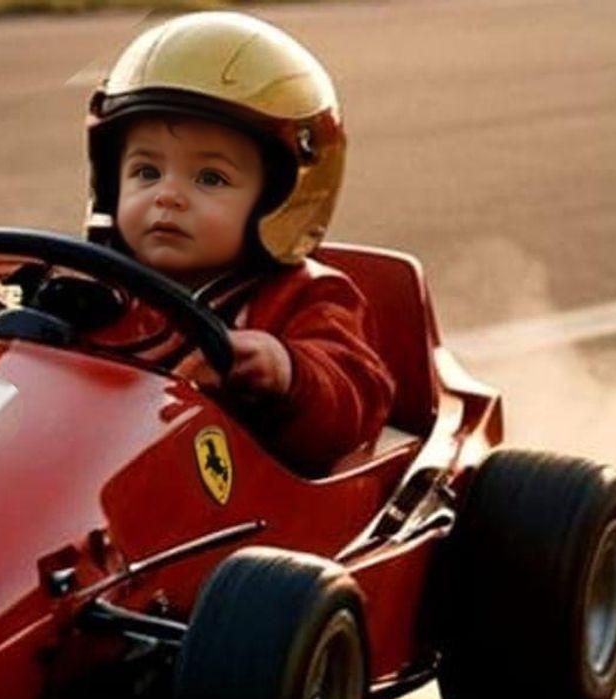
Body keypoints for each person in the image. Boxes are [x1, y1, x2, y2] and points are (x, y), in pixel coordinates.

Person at [84, 11, 395, 474]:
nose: (167, 195)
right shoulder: (86, 285)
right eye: (146, 172)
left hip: (242, 509)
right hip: (96, 484)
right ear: (110, 182)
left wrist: (287, 372)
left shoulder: (307, 298)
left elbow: (357, 401)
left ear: (282, 199)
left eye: (210, 177)